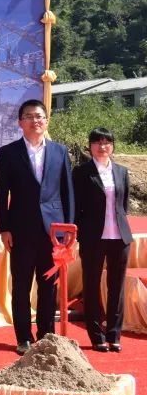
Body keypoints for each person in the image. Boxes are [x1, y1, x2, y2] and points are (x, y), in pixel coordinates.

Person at [0, 99, 75, 355]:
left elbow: (67, 192)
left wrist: (69, 230)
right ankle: (23, 337)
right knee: (21, 286)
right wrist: (4, 228)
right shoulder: (8, 153)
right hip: (20, 231)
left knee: (49, 286)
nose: (35, 121)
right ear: (20, 122)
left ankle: (46, 335)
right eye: (29, 116)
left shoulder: (60, 152)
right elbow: (1, 195)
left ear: (46, 121)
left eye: (39, 116)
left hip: (53, 232)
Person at [73, 127, 133, 353]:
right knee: (91, 285)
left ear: (112, 146)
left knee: (116, 287)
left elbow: (123, 205)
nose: (102, 146)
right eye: (97, 142)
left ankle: (114, 335)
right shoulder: (81, 172)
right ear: (90, 146)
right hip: (92, 237)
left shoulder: (121, 171)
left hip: (119, 236)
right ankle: (96, 335)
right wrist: (77, 230)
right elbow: (75, 205)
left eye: (107, 142)